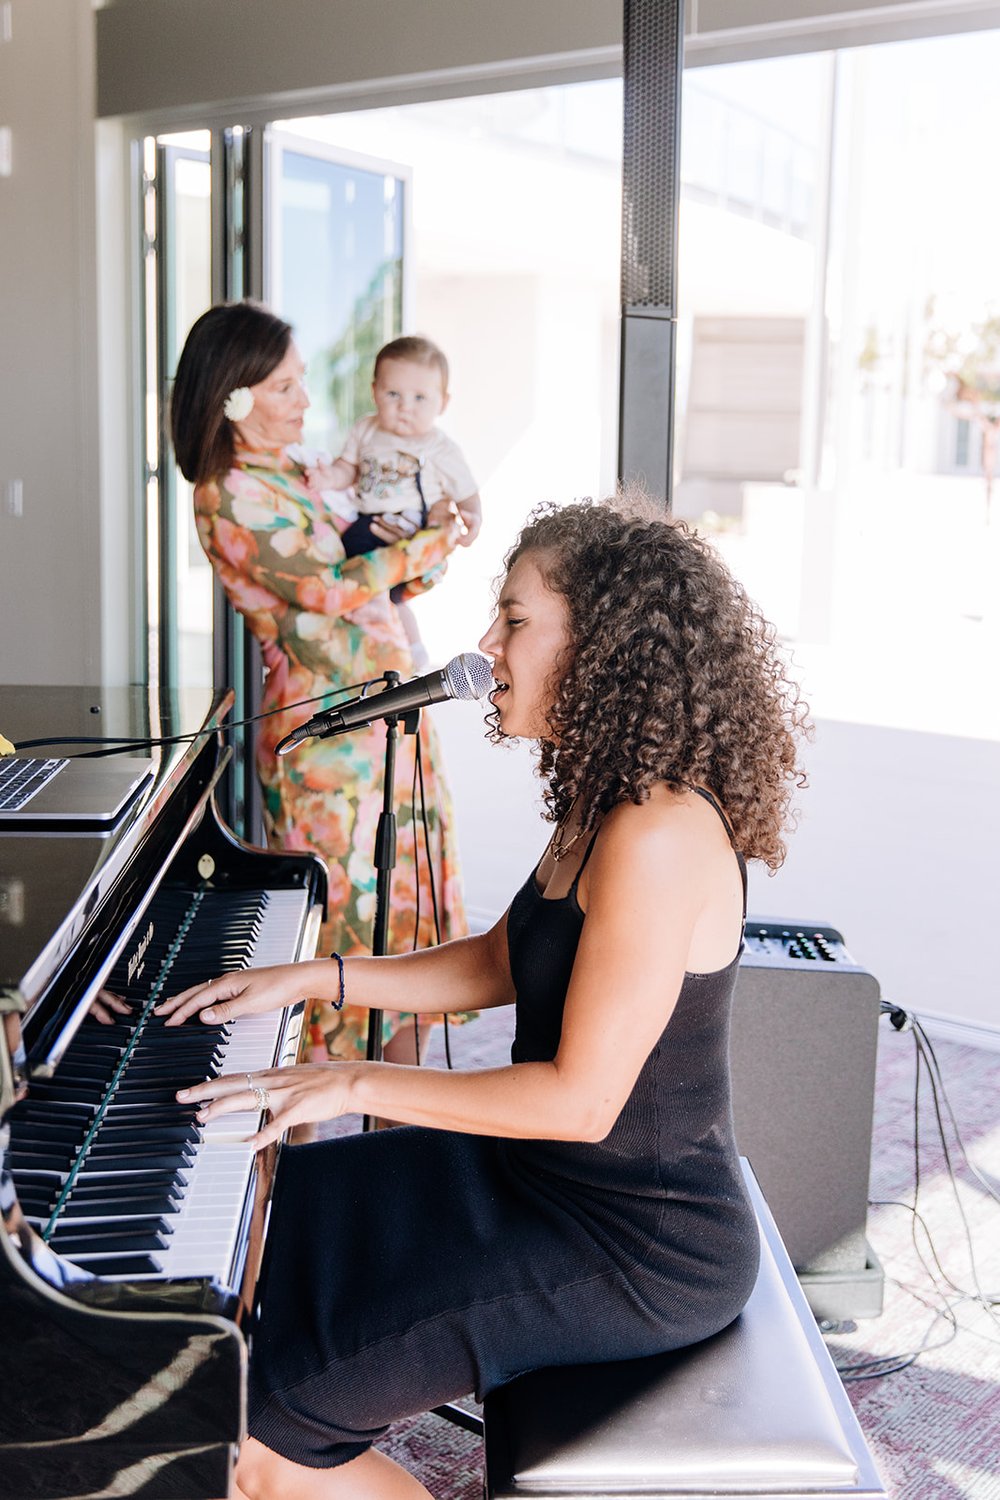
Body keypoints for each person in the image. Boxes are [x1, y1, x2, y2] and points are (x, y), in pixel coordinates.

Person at [157, 495, 809, 1500]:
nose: (483, 646)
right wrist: (316, 974)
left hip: (634, 1241)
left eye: (512, 621)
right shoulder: (605, 796)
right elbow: (499, 961)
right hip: (537, 1178)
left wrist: (345, 1079)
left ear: (600, 646)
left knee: (255, 1439)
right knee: (267, 1220)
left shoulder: (659, 835)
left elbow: (577, 1101)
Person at [170, 300, 469, 1064]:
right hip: (324, 738)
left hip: (386, 708)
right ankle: (296, 1153)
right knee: (336, 929)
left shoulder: (300, 471)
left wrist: (435, 541)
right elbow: (330, 590)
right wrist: (424, 545)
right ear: (233, 398)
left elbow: (383, 586)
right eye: (285, 387)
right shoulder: (229, 492)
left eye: (303, 382)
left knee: (400, 916)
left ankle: (399, 1137)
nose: (308, 400)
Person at [305, 335, 482, 670]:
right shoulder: (366, 430)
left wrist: (473, 518)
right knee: (353, 567)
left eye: (419, 398)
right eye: (393, 394)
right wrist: (328, 478)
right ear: (374, 392)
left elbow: (465, 491)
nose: (405, 406)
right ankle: (366, 637)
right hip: (367, 520)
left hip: (410, 525)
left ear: (442, 403)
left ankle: (411, 646)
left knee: (390, 593)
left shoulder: (439, 447)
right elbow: (348, 469)